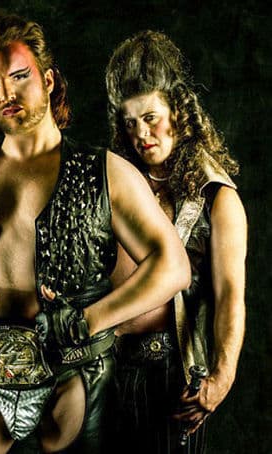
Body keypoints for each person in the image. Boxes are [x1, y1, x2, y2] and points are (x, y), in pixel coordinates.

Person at [0, 11, 191, 454]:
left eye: (19, 77)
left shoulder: (104, 172)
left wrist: (89, 320)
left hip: (73, 381)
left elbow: (173, 266)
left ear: (48, 79)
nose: (6, 94)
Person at [106, 30, 247, 454]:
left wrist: (221, 378)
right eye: (130, 122)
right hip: (104, 366)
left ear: (179, 112)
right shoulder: (117, 181)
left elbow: (230, 296)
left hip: (170, 373)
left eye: (151, 117)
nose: (141, 133)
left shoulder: (217, 197)